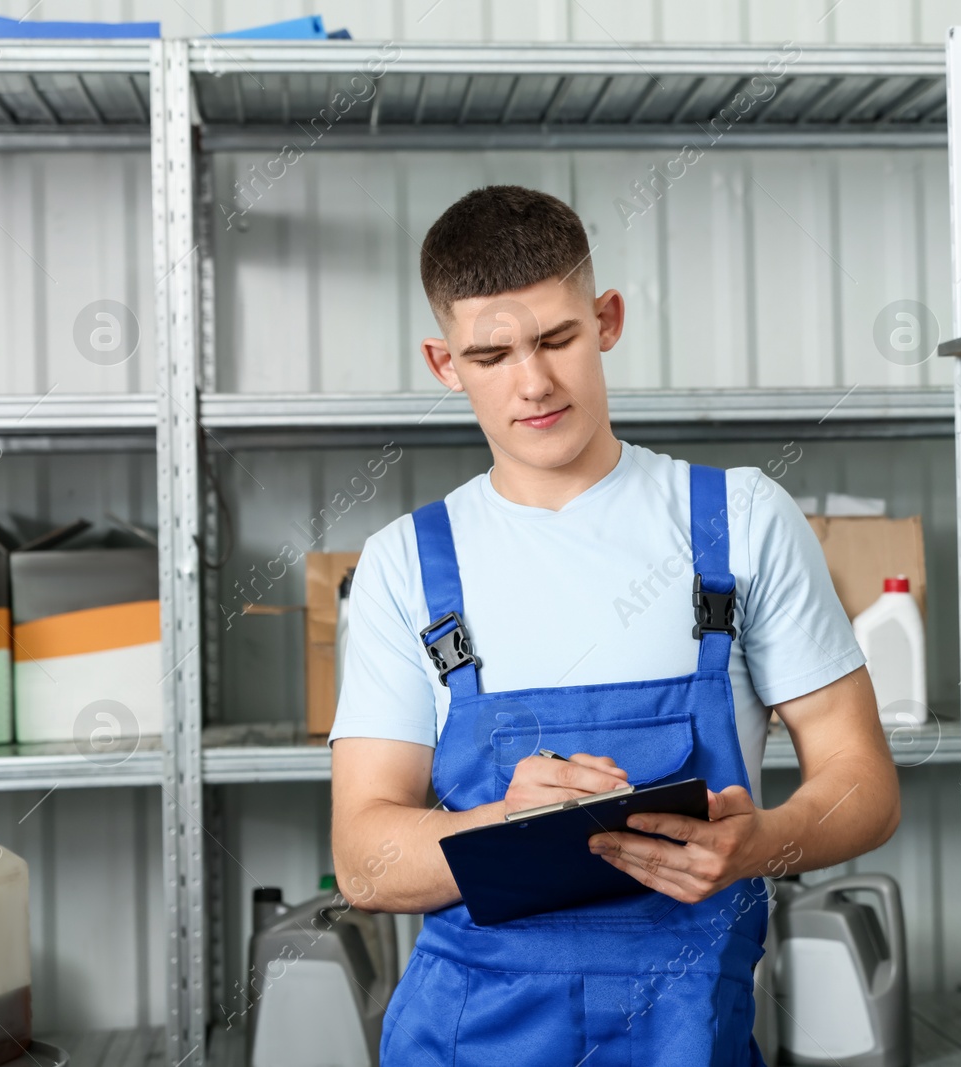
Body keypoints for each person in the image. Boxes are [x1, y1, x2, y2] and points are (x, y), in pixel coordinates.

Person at [328, 184, 902, 1066]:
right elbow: (364, 859)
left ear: (607, 318)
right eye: (493, 355)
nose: (535, 382)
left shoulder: (739, 519)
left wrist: (761, 845)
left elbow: (863, 782)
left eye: (558, 338)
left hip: (687, 1036)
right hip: (464, 1040)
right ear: (445, 363)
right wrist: (500, 828)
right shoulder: (406, 564)